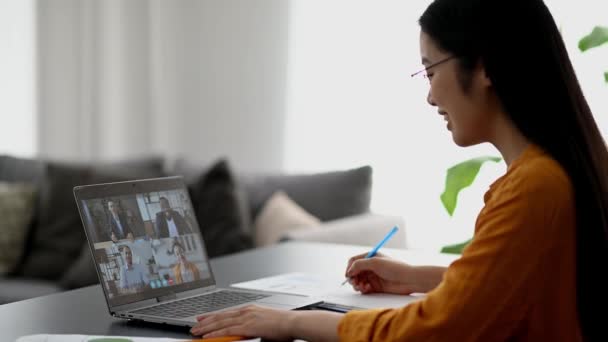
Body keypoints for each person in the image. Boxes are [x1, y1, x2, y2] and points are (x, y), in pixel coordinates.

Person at [189, 0, 608, 340]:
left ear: (483, 67)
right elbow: (509, 283)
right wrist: (416, 277)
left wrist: (288, 322)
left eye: (430, 69)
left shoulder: (535, 187)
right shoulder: (550, 173)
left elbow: (437, 328)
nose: (429, 96)